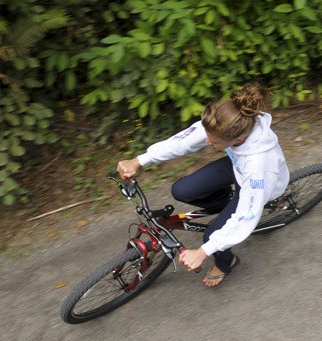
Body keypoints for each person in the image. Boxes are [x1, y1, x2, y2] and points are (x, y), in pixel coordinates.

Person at [117, 83, 289, 286]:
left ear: (239, 139)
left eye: (214, 142)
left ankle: (227, 263)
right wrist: (139, 161)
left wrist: (203, 251)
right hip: (238, 166)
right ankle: (225, 206)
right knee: (182, 190)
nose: (208, 142)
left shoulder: (259, 166)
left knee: (211, 235)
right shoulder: (223, 123)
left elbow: (246, 217)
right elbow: (182, 142)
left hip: (255, 181)